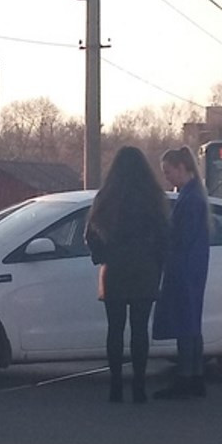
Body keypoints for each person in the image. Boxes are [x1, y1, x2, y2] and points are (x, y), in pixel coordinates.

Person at [84, 147, 169, 404]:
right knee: (140, 330)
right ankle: (139, 387)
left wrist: (102, 256)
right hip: (145, 269)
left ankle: (116, 386)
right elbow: (165, 235)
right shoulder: (153, 197)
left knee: (115, 330)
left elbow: (91, 234)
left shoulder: (107, 196)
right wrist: (157, 263)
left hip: (115, 270)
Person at [152, 146, 211, 399]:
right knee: (191, 323)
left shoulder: (190, 199)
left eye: (168, 171)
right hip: (193, 267)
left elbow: (180, 237)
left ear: (180, 167)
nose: (167, 177)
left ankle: (185, 379)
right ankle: (195, 377)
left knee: (184, 323)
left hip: (183, 267)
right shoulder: (196, 195)